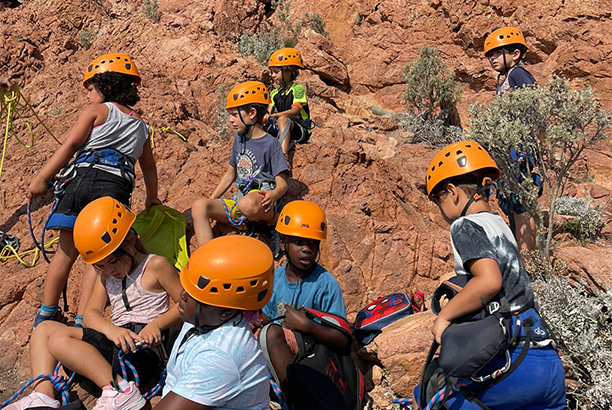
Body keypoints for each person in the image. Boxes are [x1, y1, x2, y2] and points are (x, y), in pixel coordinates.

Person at [416, 141, 565, 409]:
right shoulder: (499, 223)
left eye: (438, 199)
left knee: (428, 396)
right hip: (547, 361)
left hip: (514, 362)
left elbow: (489, 281)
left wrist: (444, 317)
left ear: (452, 192)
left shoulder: (465, 225)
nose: (440, 209)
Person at [5, 197, 182, 410]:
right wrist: (112, 331)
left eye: (113, 260)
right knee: (43, 329)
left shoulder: (155, 265)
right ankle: (43, 395)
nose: (110, 270)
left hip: (140, 353)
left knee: (60, 339)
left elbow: (187, 304)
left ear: (130, 240)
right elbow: (91, 313)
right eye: (101, 265)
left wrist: (157, 325)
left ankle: (120, 391)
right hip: (117, 344)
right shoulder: (106, 276)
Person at [28, 52, 160, 327]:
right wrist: (152, 198)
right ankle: (83, 318)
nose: (88, 96)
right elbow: (148, 168)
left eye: (91, 89)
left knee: (66, 250)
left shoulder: (97, 111)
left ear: (105, 86)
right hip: (114, 187)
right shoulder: (142, 127)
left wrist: (42, 178)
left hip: (83, 179)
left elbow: (71, 145)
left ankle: (46, 311)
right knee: (97, 256)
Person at [154, 235, 272, 410]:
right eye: (187, 288)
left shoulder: (220, 356)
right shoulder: (205, 317)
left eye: (194, 296)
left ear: (226, 312)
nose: (182, 296)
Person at [260, 200, 348, 386]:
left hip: (313, 358)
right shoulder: (274, 279)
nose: (307, 249)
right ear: (283, 243)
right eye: (298, 242)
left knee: (270, 335)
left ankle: (295, 396)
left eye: (313, 243)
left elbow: (343, 340)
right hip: (277, 351)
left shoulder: (326, 284)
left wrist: (307, 326)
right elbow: (267, 318)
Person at [191, 81, 288, 245]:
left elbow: (282, 183)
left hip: (260, 203)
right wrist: (212, 200)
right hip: (241, 201)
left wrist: (273, 195)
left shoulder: (270, 144)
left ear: (252, 113)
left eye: (235, 114)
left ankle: (273, 221)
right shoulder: (239, 139)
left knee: (248, 204)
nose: (230, 120)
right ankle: (205, 257)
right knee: (199, 206)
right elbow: (230, 174)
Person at [484, 26, 540, 252]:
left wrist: (526, 144)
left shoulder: (518, 74)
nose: (492, 59)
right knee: (510, 200)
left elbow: (534, 105)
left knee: (521, 202)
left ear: (515, 54)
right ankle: (520, 254)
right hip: (508, 148)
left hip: (520, 147)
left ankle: (529, 261)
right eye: (490, 55)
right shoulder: (504, 79)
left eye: (497, 53)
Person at [265, 48, 312, 160]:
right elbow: (268, 111)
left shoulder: (298, 89)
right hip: (282, 127)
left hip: (300, 130)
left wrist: (275, 116)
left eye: (276, 72)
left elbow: (295, 111)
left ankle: (283, 157)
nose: (272, 75)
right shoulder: (274, 93)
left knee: (282, 119)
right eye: (272, 72)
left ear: (288, 71)